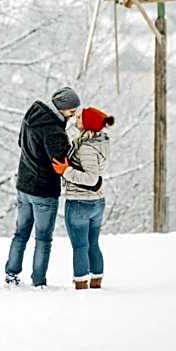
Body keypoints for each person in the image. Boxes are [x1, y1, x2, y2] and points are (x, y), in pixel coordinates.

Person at [4, 86, 80, 288]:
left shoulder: (32, 114)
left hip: (23, 185)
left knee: (20, 233)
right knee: (43, 238)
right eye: (71, 112)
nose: (73, 117)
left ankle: (11, 274)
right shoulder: (54, 131)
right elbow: (60, 163)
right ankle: (38, 281)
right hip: (44, 191)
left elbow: (21, 143)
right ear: (62, 108)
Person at [52, 106, 112, 290]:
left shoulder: (86, 147)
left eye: (80, 118)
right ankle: (96, 280)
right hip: (97, 202)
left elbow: (91, 177)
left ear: (88, 125)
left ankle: (80, 283)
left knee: (80, 246)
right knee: (92, 243)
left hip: (80, 203)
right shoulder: (99, 142)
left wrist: (65, 171)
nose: (76, 119)